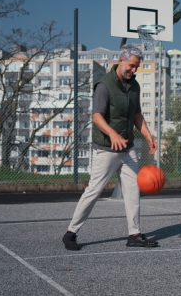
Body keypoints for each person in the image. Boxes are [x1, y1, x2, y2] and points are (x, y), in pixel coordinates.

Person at [62, 44, 158, 250]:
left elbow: (137, 115)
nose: (134, 70)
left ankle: (134, 234)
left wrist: (148, 135)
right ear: (121, 60)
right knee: (94, 190)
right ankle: (71, 233)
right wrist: (112, 133)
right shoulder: (104, 85)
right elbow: (96, 116)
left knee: (132, 191)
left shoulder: (135, 86)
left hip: (128, 147)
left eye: (137, 67)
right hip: (106, 148)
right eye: (131, 66)